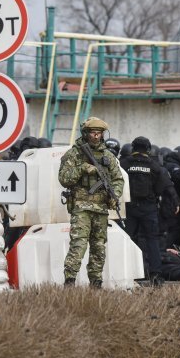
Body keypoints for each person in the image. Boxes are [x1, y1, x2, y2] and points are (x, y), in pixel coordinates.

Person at [58, 117, 124, 288]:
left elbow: (118, 179)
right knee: (78, 244)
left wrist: (114, 195)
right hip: (81, 207)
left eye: (99, 133)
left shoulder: (108, 156)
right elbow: (64, 179)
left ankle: (96, 283)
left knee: (99, 247)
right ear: (86, 133)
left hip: (101, 208)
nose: (96, 136)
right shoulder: (75, 154)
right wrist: (82, 168)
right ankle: (70, 281)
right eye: (93, 132)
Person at [121, 136, 178, 283]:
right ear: (148, 149)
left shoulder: (124, 164)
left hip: (129, 208)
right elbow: (166, 186)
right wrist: (175, 202)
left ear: (133, 148)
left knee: (128, 241)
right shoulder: (154, 165)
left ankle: (128, 274)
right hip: (149, 208)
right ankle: (155, 275)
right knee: (152, 241)